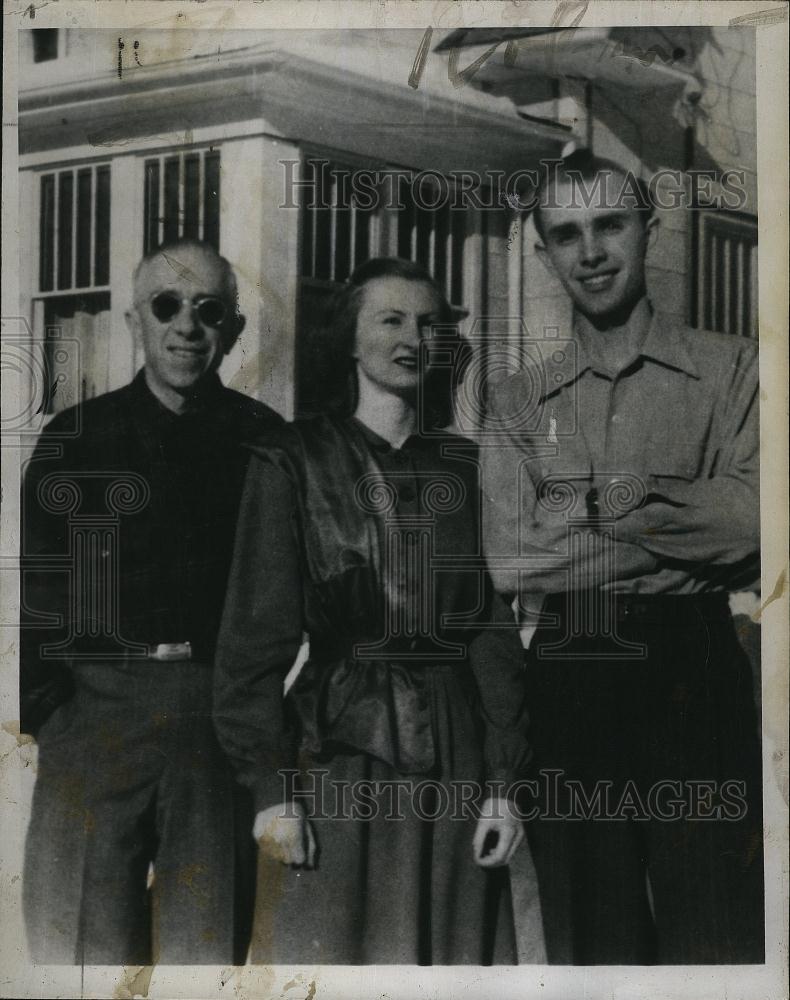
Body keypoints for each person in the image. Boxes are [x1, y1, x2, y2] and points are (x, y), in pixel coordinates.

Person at [482, 149, 764, 964]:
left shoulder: (734, 369)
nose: (591, 252)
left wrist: (594, 502)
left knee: (718, 927)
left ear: (649, 229)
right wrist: (684, 530)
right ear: (545, 255)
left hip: (694, 664)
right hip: (571, 669)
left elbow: (752, 523)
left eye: (609, 224)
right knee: (590, 934)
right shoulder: (517, 400)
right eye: (566, 235)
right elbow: (513, 560)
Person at [213, 257, 533, 964]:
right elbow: (252, 644)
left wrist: (504, 785)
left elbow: (491, 635)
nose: (412, 338)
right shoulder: (290, 459)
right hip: (340, 748)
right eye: (391, 320)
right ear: (350, 340)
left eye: (428, 323)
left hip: (456, 752)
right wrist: (271, 790)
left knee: (450, 959)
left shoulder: (467, 467)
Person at [20, 238, 282, 964]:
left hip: (215, 713)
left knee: (206, 949)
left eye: (208, 310)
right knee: (78, 950)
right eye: (166, 306)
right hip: (95, 714)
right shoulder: (76, 439)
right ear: (135, 321)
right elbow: (39, 597)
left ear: (232, 328)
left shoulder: (265, 443)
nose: (186, 326)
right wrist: (54, 716)